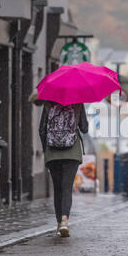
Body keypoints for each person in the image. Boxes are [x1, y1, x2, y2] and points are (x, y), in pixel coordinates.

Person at [39, 101, 89, 237]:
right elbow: (84, 128)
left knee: (58, 188)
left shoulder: (48, 104)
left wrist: (47, 149)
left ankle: (58, 223)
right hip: (72, 153)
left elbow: (41, 130)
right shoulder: (78, 103)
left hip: (53, 153)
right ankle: (65, 221)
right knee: (67, 187)